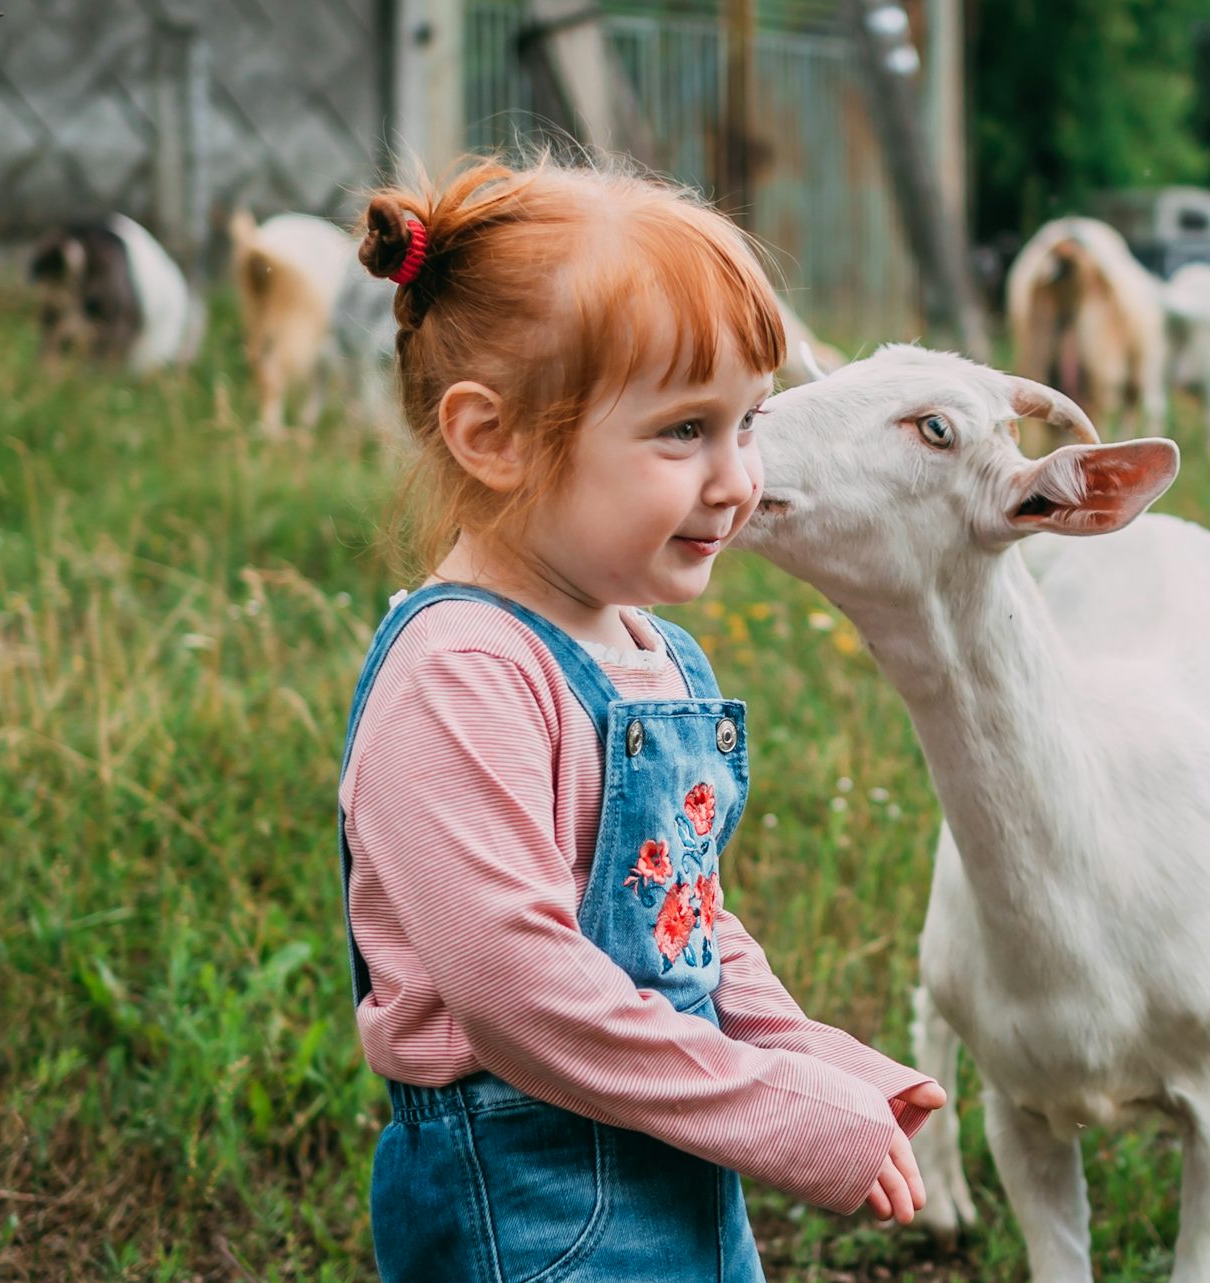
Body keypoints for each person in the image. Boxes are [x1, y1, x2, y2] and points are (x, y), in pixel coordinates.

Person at [338, 158, 945, 1282]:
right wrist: (771, 1106)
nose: (737, 480)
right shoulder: (463, 672)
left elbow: (682, 909)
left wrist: (797, 1046)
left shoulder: (653, 649)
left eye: (748, 422)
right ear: (493, 437)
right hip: (530, 1197)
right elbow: (522, 995)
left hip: (676, 1148)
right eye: (683, 432)